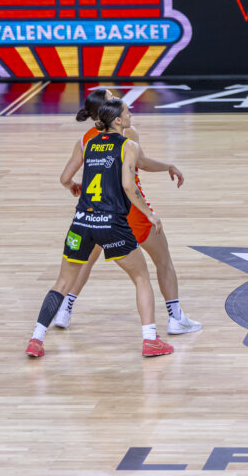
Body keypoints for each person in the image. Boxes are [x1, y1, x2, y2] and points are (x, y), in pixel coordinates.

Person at [26, 99, 174, 358]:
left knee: (62, 282)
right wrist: (150, 214)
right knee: (141, 277)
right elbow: (129, 186)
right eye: (127, 112)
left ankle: (36, 339)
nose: (131, 115)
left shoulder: (89, 143)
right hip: (111, 224)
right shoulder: (128, 144)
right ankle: (150, 339)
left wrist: (72, 185)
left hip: (81, 223)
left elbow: (64, 178)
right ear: (117, 120)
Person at [51, 89, 200, 335]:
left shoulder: (85, 140)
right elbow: (140, 163)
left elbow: (65, 178)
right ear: (111, 112)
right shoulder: (127, 133)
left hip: (97, 211)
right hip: (129, 208)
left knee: (85, 261)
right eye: (113, 97)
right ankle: (175, 318)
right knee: (162, 260)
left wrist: (74, 187)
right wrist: (169, 166)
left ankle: (64, 310)